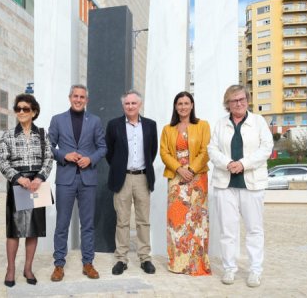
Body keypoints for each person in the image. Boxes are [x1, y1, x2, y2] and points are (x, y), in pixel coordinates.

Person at [207, 85, 273, 288]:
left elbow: (266, 148)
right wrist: (228, 164)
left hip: (251, 184)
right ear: (228, 104)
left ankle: (255, 270)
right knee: (228, 230)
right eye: (234, 100)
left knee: (254, 229)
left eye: (242, 99)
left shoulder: (258, 121)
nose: (239, 103)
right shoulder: (220, 124)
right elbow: (212, 148)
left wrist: (243, 164)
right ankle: (229, 268)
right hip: (225, 184)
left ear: (248, 99)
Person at [48, 84, 107, 281]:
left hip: (88, 178)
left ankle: (88, 263)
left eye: (82, 97)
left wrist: (90, 159)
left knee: (88, 224)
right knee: (62, 223)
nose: (78, 99)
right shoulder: (57, 120)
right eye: (75, 96)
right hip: (65, 178)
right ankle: (58, 265)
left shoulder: (95, 121)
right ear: (70, 97)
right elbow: (48, 147)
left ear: (86, 100)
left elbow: (102, 147)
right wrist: (65, 155)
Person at [0, 94, 54, 287]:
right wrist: (18, 178)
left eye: (25, 109)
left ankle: (28, 268)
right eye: (18, 108)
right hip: (17, 184)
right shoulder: (8, 135)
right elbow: (2, 161)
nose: (21, 112)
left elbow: (49, 158)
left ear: (34, 112)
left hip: (37, 184)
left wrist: (39, 178)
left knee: (33, 230)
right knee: (14, 230)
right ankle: (10, 269)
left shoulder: (43, 134)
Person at [105, 90, 158, 276]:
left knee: (144, 220)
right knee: (122, 221)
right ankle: (121, 259)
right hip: (123, 178)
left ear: (139, 105)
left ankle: (145, 258)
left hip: (143, 177)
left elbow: (152, 152)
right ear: (123, 106)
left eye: (133, 103)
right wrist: (120, 168)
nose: (130, 106)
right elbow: (110, 153)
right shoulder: (113, 125)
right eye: (127, 104)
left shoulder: (151, 125)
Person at [159, 91, 211, 276]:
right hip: (176, 178)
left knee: (196, 221)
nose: (183, 106)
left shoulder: (202, 125)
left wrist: (190, 170)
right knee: (177, 221)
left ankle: (196, 264)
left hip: (197, 178)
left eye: (186, 103)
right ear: (175, 107)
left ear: (192, 105)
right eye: (179, 103)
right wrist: (179, 170)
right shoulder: (168, 129)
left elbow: (206, 151)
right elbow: (164, 153)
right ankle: (178, 263)